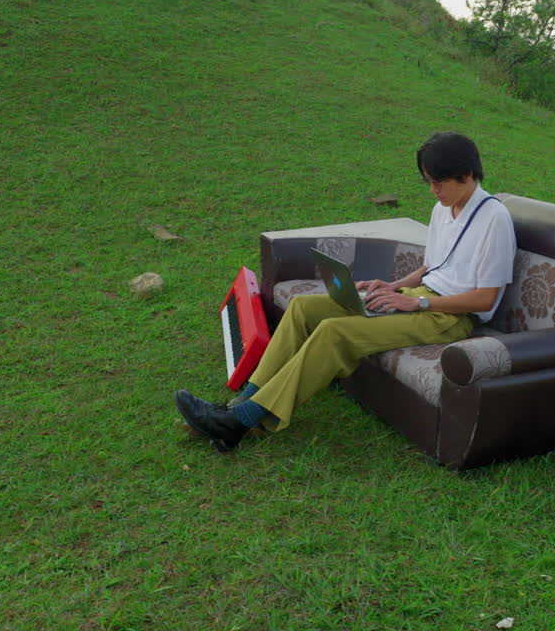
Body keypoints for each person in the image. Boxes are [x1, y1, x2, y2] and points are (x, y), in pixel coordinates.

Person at [175, 131, 517, 452]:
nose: (433, 190)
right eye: (427, 181)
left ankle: (240, 422)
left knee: (333, 332)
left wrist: (418, 302)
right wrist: (394, 286)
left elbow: (485, 299)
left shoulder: (495, 220)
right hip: (419, 296)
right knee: (303, 309)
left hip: (450, 316)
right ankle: (243, 401)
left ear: (467, 173)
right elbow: (432, 265)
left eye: (438, 181)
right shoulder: (443, 209)